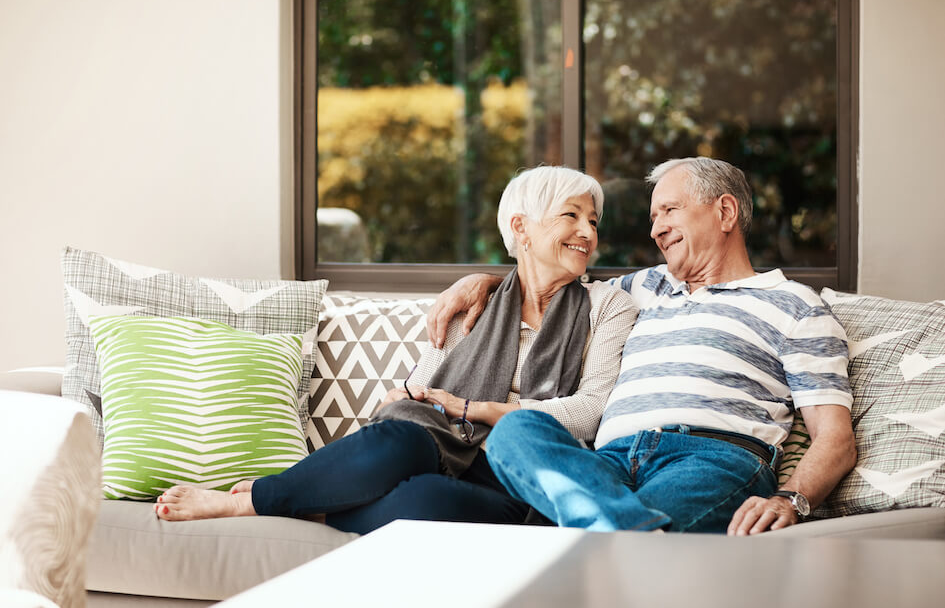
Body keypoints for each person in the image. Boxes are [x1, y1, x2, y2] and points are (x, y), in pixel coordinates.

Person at [154, 166, 637, 533]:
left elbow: (590, 411)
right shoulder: (476, 303)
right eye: (570, 216)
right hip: (444, 444)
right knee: (401, 435)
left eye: (593, 221)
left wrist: (477, 408)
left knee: (425, 501)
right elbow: (424, 388)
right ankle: (254, 499)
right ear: (522, 228)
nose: (588, 233)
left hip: (519, 477)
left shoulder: (606, 304)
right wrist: (404, 395)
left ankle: (308, 497)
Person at [427, 157, 857, 535]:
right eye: (654, 217)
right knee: (517, 432)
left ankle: (609, 537)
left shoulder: (796, 306)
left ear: (725, 211)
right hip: (605, 462)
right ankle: (627, 538)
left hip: (711, 457)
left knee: (622, 524)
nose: (656, 229)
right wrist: (483, 284)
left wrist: (790, 500)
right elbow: (547, 277)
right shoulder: (642, 288)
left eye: (669, 210)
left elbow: (835, 438)